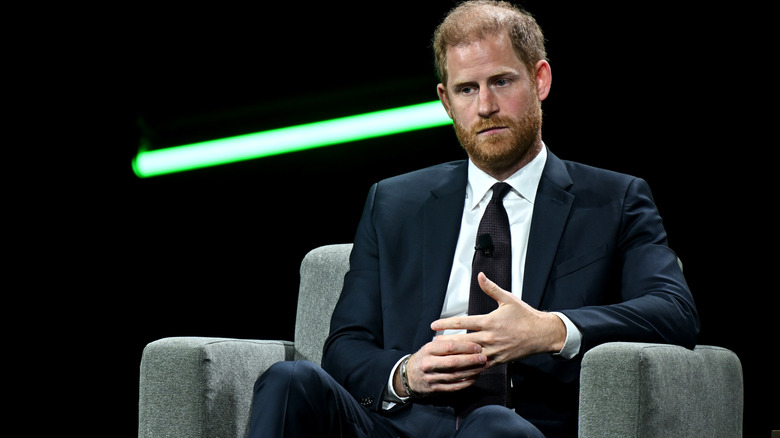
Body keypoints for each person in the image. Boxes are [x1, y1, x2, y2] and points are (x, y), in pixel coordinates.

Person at [248, 1, 699, 437]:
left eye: (501, 82)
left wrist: (549, 329)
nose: (485, 106)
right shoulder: (393, 203)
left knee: (492, 424)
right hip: (400, 422)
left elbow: (674, 312)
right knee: (291, 381)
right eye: (467, 89)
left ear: (540, 79)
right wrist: (407, 373)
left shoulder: (613, 200)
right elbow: (346, 348)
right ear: (446, 101)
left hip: (517, 424)